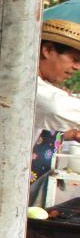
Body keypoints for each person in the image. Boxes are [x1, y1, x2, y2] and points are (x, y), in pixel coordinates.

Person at [30, 16, 80, 191]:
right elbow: (56, 107)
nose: (77, 67)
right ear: (48, 50)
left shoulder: (44, 86)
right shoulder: (26, 84)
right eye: (74, 59)